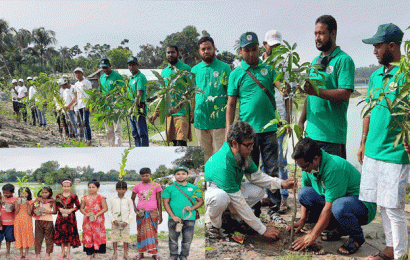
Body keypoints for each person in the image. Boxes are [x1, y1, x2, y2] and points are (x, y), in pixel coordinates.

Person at [358, 23, 409, 260]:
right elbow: (368, 111)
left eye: (378, 46)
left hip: (395, 151)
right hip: (373, 149)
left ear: (392, 45)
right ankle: (391, 248)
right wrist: (362, 142)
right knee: (381, 204)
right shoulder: (376, 76)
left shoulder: (406, 74)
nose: (374, 51)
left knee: (394, 206)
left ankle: (400, 254)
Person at [204, 120, 296, 239]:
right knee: (220, 198)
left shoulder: (241, 155)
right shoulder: (224, 165)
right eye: (249, 145)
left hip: (230, 191)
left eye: (252, 144)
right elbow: (239, 202)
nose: (252, 148)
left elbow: (257, 176)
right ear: (235, 143)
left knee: (259, 190)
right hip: (211, 193)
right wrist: (262, 229)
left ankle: (230, 219)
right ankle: (213, 225)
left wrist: (281, 183)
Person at [226, 32, 283, 220]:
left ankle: (275, 209)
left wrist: (288, 87)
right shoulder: (236, 74)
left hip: (269, 130)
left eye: (254, 49)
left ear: (259, 48)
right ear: (241, 51)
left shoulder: (269, 68)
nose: (251, 54)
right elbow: (232, 104)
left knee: (272, 170)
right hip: (247, 134)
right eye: (247, 50)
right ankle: (255, 210)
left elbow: (281, 86)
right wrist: (229, 130)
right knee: (252, 171)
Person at [290, 138, 376, 255]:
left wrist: (312, 235)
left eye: (305, 167)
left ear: (315, 158)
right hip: (340, 200)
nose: (304, 170)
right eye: (301, 168)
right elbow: (307, 189)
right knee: (304, 194)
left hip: (362, 205)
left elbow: (329, 207)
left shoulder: (334, 167)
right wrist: (302, 219)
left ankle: (356, 238)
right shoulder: (308, 167)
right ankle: (341, 228)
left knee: (338, 207)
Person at [298, 15, 355, 159]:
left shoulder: (344, 60)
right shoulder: (315, 61)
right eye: (315, 34)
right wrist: (300, 121)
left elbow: (344, 94)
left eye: (321, 33)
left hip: (332, 138)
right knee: (310, 180)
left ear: (333, 33)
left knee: (332, 180)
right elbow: (310, 96)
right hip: (311, 135)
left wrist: (316, 91)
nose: (317, 38)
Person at [261, 29, 291, 214]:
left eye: (279, 46)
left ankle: (284, 196)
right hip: (265, 120)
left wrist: (287, 120)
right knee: (265, 161)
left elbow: (288, 97)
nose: (276, 49)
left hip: (280, 121)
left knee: (281, 160)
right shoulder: (258, 64)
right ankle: (268, 193)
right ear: (265, 45)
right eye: (273, 46)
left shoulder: (284, 66)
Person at [191, 36, 231, 162]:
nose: (206, 51)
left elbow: (230, 94)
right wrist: (191, 113)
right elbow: (192, 95)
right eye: (203, 49)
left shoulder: (224, 68)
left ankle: (220, 181)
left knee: (220, 155)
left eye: (209, 48)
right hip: (200, 120)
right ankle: (207, 181)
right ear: (199, 51)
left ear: (214, 49)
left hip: (219, 121)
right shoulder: (195, 70)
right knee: (204, 157)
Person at [149, 45, 192, 146]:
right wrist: (156, 114)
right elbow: (162, 96)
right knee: (173, 143)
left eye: (172, 52)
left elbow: (191, 92)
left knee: (181, 142)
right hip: (169, 113)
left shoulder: (186, 68)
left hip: (182, 112)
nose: (170, 54)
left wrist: (192, 113)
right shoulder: (164, 72)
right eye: (168, 52)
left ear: (178, 53)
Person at [162, 166, 204, 260]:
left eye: (183, 173)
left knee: (187, 240)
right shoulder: (169, 188)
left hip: (189, 218)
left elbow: (201, 201)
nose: (180, 176)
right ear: (175, 176)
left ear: (187, 175)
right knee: (173, 239)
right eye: (178, 174)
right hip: (173, 218)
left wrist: (192, 207)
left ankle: (184, 256)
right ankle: (173, 255)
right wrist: (173, 216)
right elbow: (165, 203)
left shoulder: (194, 188)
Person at [131, 168, 162, 260]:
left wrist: (160, 214)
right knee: (141, 233)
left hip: (153, 213)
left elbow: (159, 200)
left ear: (150, 175)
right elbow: (132, 198)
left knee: (153, 232)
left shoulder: (156, 185)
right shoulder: (137, 186)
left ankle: (154, 253)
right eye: (143, 176)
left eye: (147, 175)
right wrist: (135, 209)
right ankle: (141, 253)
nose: (145, 177)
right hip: (141, 214)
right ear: (140, 176)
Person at [99, 57, 124, 147]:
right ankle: (111, 147)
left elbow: (122, 90)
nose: (105, 69)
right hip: (106, 108)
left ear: (110, 66)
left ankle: (118, 147)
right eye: (103, 68)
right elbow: (100, 92)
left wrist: (114, 95)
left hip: (116, 107)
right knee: (109, 131)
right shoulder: (101, 78)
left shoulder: (117, 76)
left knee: (117, 129)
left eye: (106, 67)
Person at [54, 179, 81, 260]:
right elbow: (56, 206)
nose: (66, 188)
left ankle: (68, 252)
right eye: (64, 186)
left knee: (70, 234)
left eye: (68, 186)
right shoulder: (58, 196)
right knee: (61, 234)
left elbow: (78, 206)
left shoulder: (74, 196)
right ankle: (62, 252)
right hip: (61, 217)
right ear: (62, 187)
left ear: (70, 186)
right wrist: (60, 209)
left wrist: (72, 210)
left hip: (70, 217)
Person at [80, 179, 108, 259]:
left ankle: (96, 252)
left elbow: (105, 208)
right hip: (88, 220)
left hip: (98, 220)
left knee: (96, 235)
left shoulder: (101, 197)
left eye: (93, 187)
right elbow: (81, 208)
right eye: (89, 187)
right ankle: (89, 254)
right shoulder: (84, 198)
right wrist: (86, 214)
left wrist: (97, 215)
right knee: (88, 235)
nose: (91, 189)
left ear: (98, 188)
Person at [127, 56, 149, 147]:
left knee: (141, 133)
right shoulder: (131, 79)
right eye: (129, 65)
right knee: (134, 133)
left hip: (138, 107)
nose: (131, 67)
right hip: (131, 108)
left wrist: (133, 107)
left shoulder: (140, 77)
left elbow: (138, 95)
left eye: (133, 65)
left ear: (138, 65)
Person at [108, 181, 133, 260]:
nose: (121, 190)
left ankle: (125, 254)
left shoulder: (129, 200)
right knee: (114, 238)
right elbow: (109, 211)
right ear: (116, 189)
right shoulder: (112, 200)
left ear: (126, 190)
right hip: (115, 223)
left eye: (123, 189)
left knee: (126, 238)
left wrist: (127, 221)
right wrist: (113, 220)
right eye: (119, 189)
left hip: (125, 223)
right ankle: (115, 253)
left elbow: (131, 212)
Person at [68, 67, 93, 144]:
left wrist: (89, 104)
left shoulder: (87, 82)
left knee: (86, 122)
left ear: (82, 73)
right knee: (82, 123)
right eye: (76, 73)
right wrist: (71, 105)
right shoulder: (76, 84)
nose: (77, 74)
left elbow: (91, 94)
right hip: (79, 105)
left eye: (78, 73)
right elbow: (75, 96)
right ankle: (85, 139)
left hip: (86, 105)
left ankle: (89, 139)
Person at [33, 186, 56, 260]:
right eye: (42, 192)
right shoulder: (38, 200)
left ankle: (47, 254)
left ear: (50, 193)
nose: (44, 194)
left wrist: (47, 211)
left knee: (49, 238)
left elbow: (55, 212)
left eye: (46, 192)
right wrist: (36, 211)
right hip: (38, 220)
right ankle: (38, 254)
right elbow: (34, 209)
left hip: (48, 220)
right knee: (38, 238)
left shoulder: (52, 201)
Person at [14, 187, 34, 260]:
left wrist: (28, 204)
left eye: (25, 193)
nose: (23, 195)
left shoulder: (31, 201)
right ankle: (21, 254)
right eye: (21, 193)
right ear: (19, 194)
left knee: (27, 236)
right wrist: (18, 204)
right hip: (18, 220)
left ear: (28, 193)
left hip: (27, 220)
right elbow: (15, 212)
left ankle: (26, 254)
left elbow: (29, 213)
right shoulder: (16, 200)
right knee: (19, 236)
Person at [0, 184, 17, 260]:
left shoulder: (15, 199)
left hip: (10, 222)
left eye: (7, 193)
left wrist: (12, 208)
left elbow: (17, 210)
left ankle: (8, 252)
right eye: (4, 192)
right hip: (1, 222)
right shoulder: (1, 198)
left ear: (12, 192)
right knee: (0, 238)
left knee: (8, 238)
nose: (5, 194)